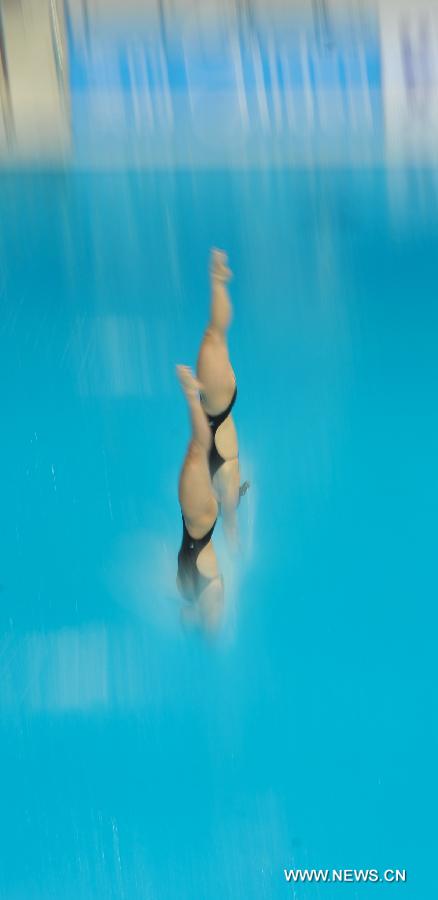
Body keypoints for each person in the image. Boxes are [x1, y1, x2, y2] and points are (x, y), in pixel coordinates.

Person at [197, 249, 248, 547]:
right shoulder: (226, 485)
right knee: (214, 337)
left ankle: (219, 281)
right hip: (217, 408)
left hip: (217, 408)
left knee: (215, 337)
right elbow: (231, 528)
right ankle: (218, 280)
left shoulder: (220, 485)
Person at [176, 365, 224, 631]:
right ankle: (193, 396)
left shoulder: (211, 591)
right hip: (197, 561)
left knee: (197, 450)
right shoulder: (206, 593)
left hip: (199, 559)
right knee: (197, 451)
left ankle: (192, 396)